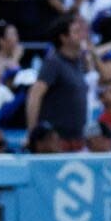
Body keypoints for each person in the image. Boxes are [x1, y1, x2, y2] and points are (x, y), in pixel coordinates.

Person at [26, 15, 89, 150]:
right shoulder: (53, 62)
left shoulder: (78, 62)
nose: (82, 36)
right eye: (76, 32)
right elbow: (34, 95)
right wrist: (32, 133)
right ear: (64, 37)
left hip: (77, 138)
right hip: (56, 141)